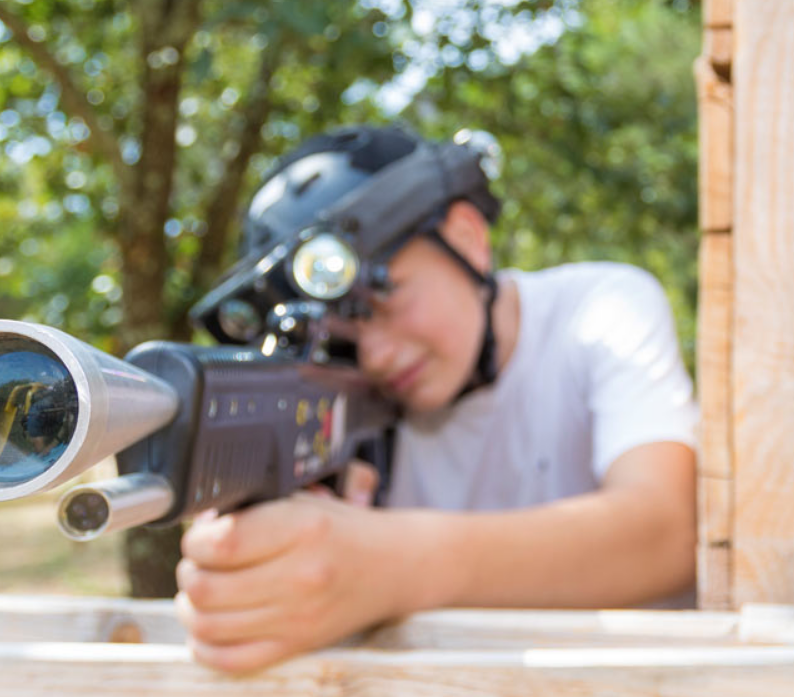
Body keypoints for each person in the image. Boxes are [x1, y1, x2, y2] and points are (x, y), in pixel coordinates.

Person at [175, 124, 698, 673]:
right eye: (344, 339)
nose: (374, 354)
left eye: (382, 297)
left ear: (468, 237)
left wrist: (388, 565)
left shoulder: (597, 311)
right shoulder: (351, 413)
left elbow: (669, 530)